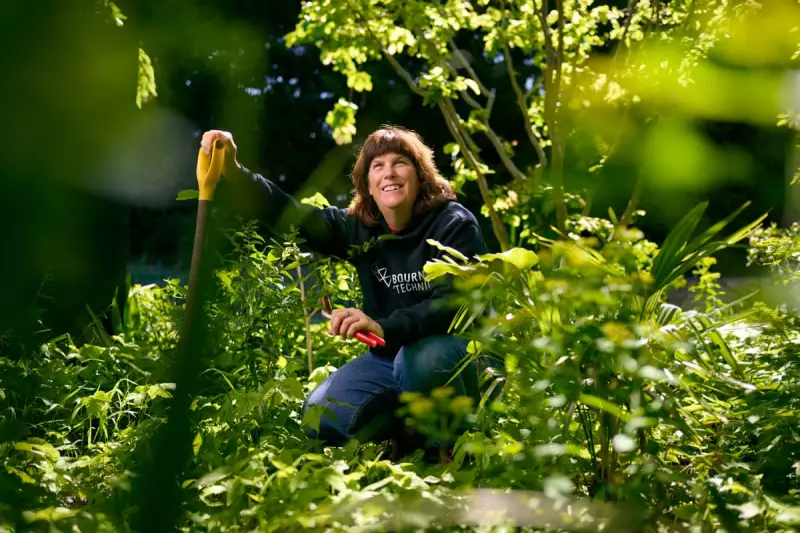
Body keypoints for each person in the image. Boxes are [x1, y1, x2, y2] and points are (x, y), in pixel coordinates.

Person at [201, 125, 489, 457]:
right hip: (390, 358)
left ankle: (455, 450)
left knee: (422, 361)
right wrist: (235, 173)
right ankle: (406, 438)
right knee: (320, 414)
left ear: (421, 174)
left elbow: (451, 306)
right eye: (377, 166)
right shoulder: (361, 228)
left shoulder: (454, 224)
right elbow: (294, 217)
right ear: (367, 184)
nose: (389, 173)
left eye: (400, 162)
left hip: (456, 355)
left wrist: (382, 326)